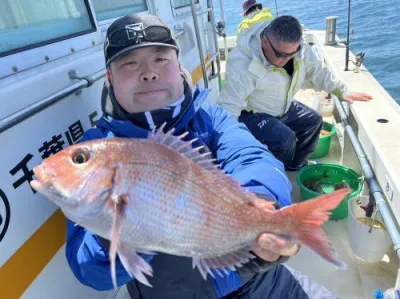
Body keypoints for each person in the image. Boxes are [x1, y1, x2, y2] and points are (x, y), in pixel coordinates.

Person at [65, 13, 335, 299]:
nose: (148, 73)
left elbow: (252, 155)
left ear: (178, 66)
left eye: (161, 59)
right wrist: (115, 233)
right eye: (129, 63)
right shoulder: (96, 149)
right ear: (109, 77)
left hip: (257, 282)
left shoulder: (210, 117)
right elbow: (87, 268)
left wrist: (264, 202)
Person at [218, 15, 372, 171]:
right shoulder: (242, 63)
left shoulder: (299, 49)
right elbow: (229, 105)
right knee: (284, 139)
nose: (286, 59)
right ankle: (276, 175)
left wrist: (342, 92)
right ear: (265, 42)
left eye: (292, 53)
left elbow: (318, 72)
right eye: (280, 55)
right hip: (251, 113)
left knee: (314, 121)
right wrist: (224, 143)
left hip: (281, 106)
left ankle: (295, 166)